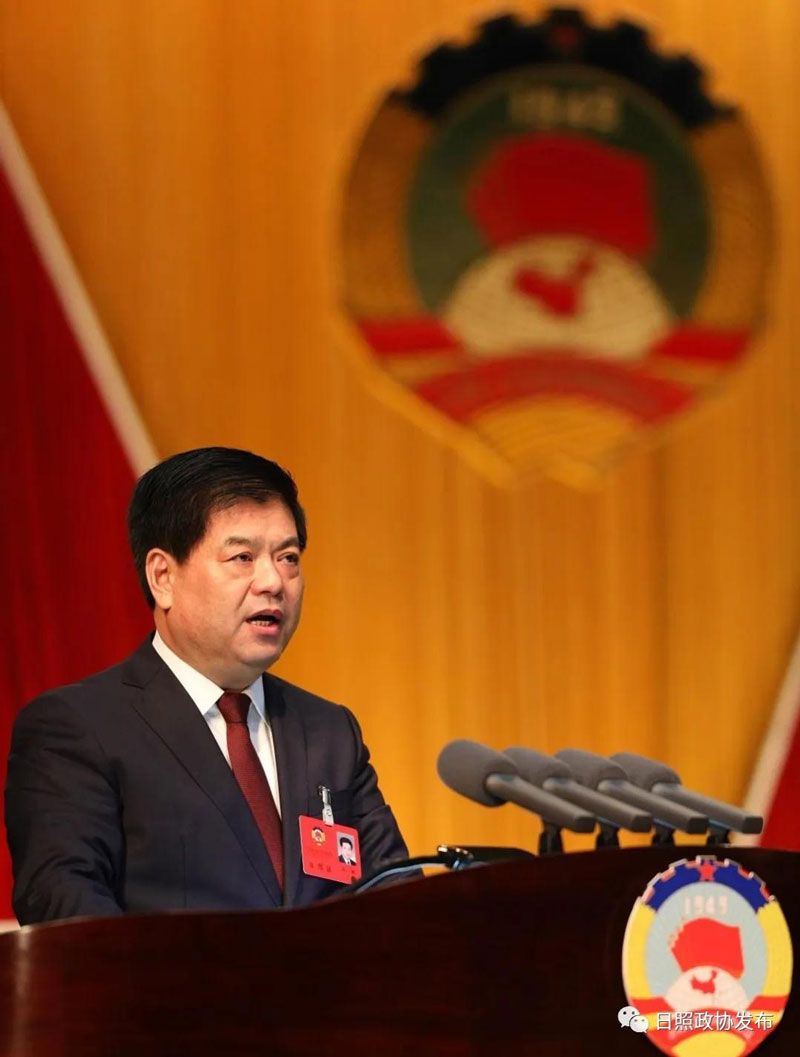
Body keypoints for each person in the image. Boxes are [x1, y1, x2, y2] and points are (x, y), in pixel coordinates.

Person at [5, 447, 409, 923]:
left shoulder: (329, 731)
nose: (273, 581)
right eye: (242, 557)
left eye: (288, 557)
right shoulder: (79, 728)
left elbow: (399, 904)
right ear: (163, 577)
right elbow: (68, 913)